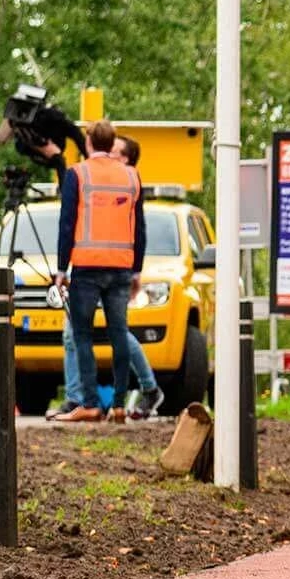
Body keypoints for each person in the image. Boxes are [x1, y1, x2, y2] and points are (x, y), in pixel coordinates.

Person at [58, 135, 167, 420]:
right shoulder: (106, 179)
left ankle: (101, 397)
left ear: (127, 159)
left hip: (96, 267)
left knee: (104, 334)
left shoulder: (117, 179)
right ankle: (85, 398)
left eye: (117, 153)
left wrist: (62, 268)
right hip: (110, 266)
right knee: (86, 334)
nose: (111, 157)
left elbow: (70, 222)